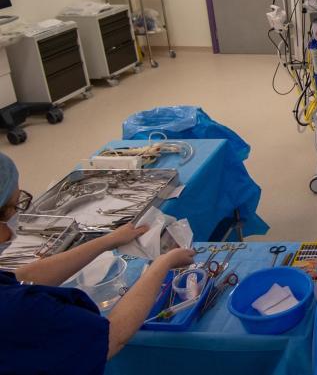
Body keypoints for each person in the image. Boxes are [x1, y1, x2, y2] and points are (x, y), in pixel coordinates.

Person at [0, 153, 197, 375]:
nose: (15, 223)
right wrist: (161, 265)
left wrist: (107, 241)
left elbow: (18, 277)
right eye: (12, 209)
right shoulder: (20, 310)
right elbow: (111, 337)